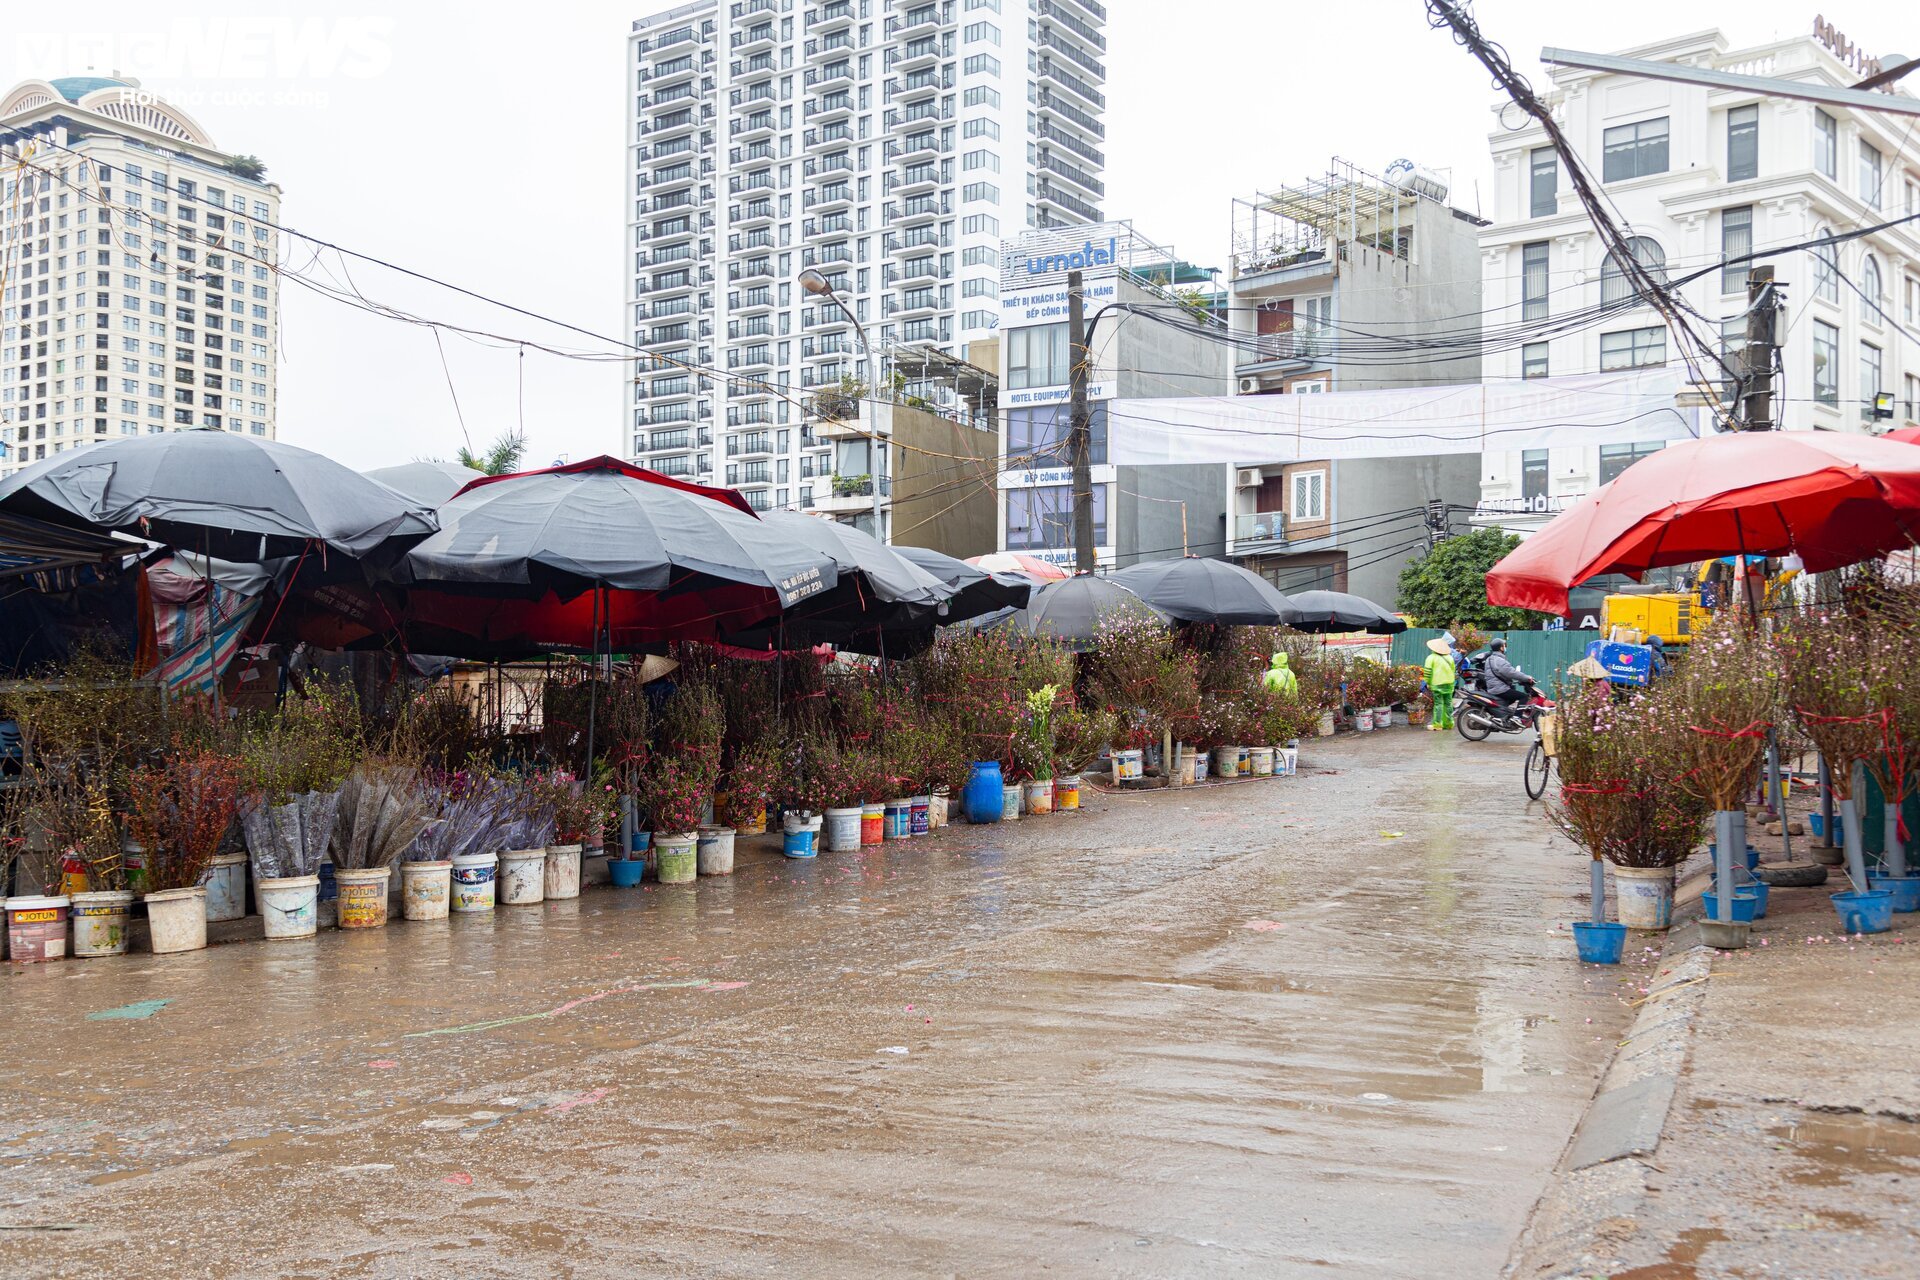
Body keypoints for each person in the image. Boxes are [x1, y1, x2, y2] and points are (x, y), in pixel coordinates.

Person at [1482, 638, 1532, 708]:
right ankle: (1517, 715)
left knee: (1512, 693)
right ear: (1501, 648)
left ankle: (1504, 712)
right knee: (1524, 697)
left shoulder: (1489, 659)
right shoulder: (1499, 660)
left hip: (1492, 688)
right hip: (1500, 689)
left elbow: (1501, 673)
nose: (1505, 647)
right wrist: (1527, 678)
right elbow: (1511, 673)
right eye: (1504, 646)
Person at [1421, 637, 1456, 731]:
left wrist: (1427, 682)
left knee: (1438, 704)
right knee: (1448, 703)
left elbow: (1427, 672)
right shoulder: (1450, 658)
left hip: (1437, 684)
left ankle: (1437, 724)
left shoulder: (1431, 658)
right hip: (1449, 683)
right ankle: (1449, 723)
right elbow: (1453, 670)